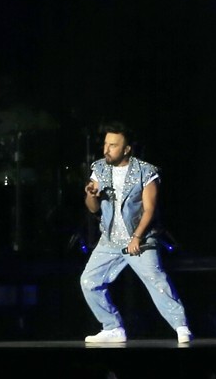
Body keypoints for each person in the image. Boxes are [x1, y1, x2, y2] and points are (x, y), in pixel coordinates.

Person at [79, 121, 191, 344]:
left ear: (126, 149)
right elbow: (92, 208)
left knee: (156, 280)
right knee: (89, 281)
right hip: (110, 240)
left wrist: (137, 237)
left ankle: (181, 325)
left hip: (140, 239)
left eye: (113, 145)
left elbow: (149, 209)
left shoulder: (145, 172)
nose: (106, 150)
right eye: (106, 144)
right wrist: (91, 195)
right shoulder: (100, 168)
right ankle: (112, 327)